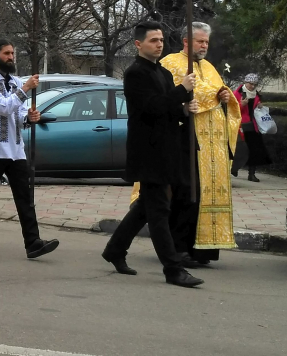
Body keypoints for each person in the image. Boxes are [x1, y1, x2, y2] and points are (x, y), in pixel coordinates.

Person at [102, 22, 203, 287]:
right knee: (159, 211)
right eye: (153, 40)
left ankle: (115, 250)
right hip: (147, 151)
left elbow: (168, 109)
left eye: (160, 40)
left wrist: (183, 109)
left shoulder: (163, 72)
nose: (159, 44)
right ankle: (173, 269)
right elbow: (151, 107)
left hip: (166, 149)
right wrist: (181, 91)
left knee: (145, 208)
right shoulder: (135, 73)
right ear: (138, 44)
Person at [160, 22, 239, 264]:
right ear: (186, 41)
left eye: (206, 42)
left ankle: (202, 250)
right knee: (186, 192)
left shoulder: (209, 67)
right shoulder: (171, 63)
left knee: (205, 194)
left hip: (213, 143)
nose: (204, 46)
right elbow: (172, 96)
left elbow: (218, 92)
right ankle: (178, 247)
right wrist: (214, 95)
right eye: (200, 41)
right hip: (187, 137)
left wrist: (226, 95)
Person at [0, 39, 59, 259]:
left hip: (15, 148)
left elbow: (17, 114)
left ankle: (33, 242)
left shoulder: (16, 81)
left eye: (12, 53)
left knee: (24, 196)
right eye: (6, 53)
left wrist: (29, 118)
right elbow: (2, 107)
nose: (11, 57)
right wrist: (26, 88)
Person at [233, 73, 270, 182]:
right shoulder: (237, 94)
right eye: (250, 84)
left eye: (254, 84)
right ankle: (234, 168)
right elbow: (231, 109)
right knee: (239, 149)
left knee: (255, 149)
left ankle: (252, 173)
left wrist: (260, 106)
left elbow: (255, 109)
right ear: (245, 82)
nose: (252, 86)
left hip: (253, 125)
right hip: (240, 125)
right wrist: (241, 105)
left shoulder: (257, 95)